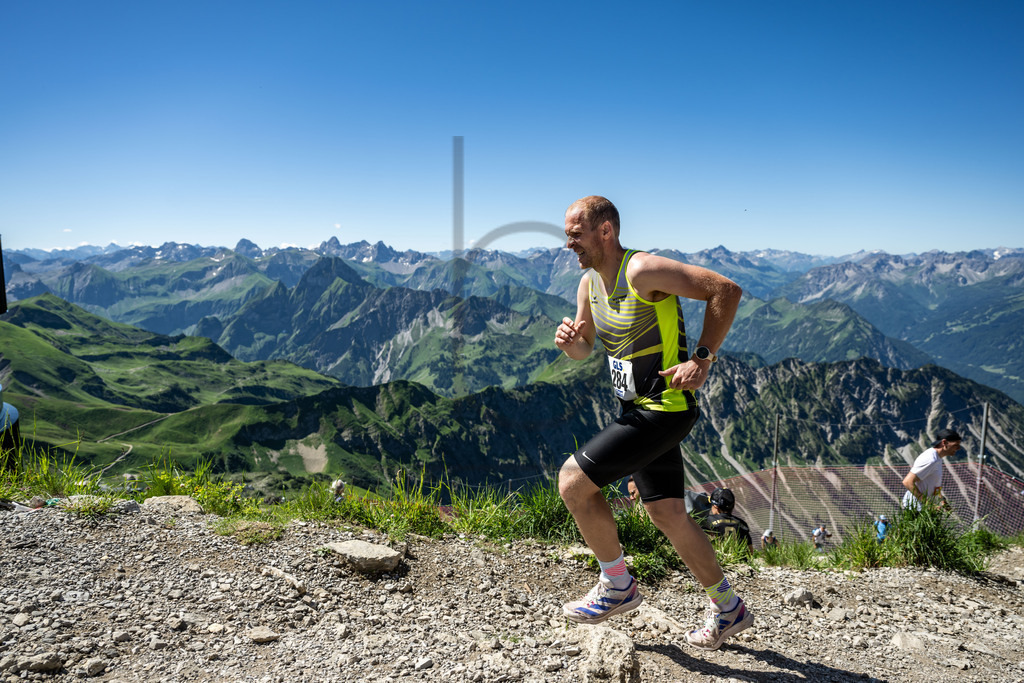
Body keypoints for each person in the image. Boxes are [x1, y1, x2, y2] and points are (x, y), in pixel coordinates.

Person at [554, 196, 751, 650]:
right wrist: (571, 344)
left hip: (663, 409)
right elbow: (586, 347)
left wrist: (702, 358)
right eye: (567, 234)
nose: (569, 243)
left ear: (605, 231)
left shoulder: (641, 270)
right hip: (635, 409)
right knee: (667, 513)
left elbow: (726, 290)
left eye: (575, 233)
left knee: (572, 483)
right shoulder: (588, 285)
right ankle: (729, 608)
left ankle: (618, 585)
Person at [901, 428, 962, 510]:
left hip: (924, 508)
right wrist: (928, 505)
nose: (959, 448)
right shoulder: (930, 459)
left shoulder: (938, 458)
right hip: (915, 509)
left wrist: (941, 499)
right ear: (944, 442)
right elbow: (907, 482)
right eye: (955, 445)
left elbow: (933, 484)